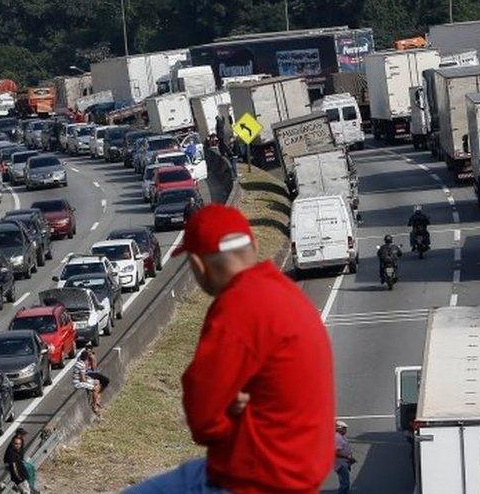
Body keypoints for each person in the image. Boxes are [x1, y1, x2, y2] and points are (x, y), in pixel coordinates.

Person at [125, 204, 335, 493]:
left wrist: (232, 416)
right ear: (254, 244)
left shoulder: (237, 306)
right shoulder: (286, 293)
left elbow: (202, 418)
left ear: (198, 265)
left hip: (256, 479)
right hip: (297, 470)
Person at [5, 428, 31, 493]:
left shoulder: (19, 441)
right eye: (23, 434)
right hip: (19, 475)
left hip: (19, 471)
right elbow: (14, 466)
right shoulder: (12, 449)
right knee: (26, 490)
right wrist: (19, 477)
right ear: (19, 435)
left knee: (24, 489)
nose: (24, 436)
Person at [334, 421, 355, 494]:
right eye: (344, 428)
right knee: (344, 484)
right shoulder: (337, 438)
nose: (346, 430)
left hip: (345, 462)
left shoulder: (341, 436)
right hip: (341, 464)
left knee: (345, 482)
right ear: (339, 429)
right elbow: (335, 453)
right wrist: (347, 457)